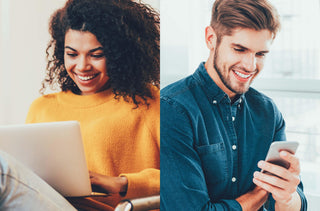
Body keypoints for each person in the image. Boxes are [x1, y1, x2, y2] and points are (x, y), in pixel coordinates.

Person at [0, 0, 159, 210]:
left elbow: (185, 177)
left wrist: (122, 183)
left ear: (120, 54)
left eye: (96, 55)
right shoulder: (41, 108)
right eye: (72, 54)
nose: (82, 66)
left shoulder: (148, 102)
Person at [160, 0, 307, 210]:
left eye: (260, 54)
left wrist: (286, 197)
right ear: (211, 39)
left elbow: (294, 203)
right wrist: (259, 195)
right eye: (239, 49)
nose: (250, 65)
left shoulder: (268, 112)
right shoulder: (172, 110)